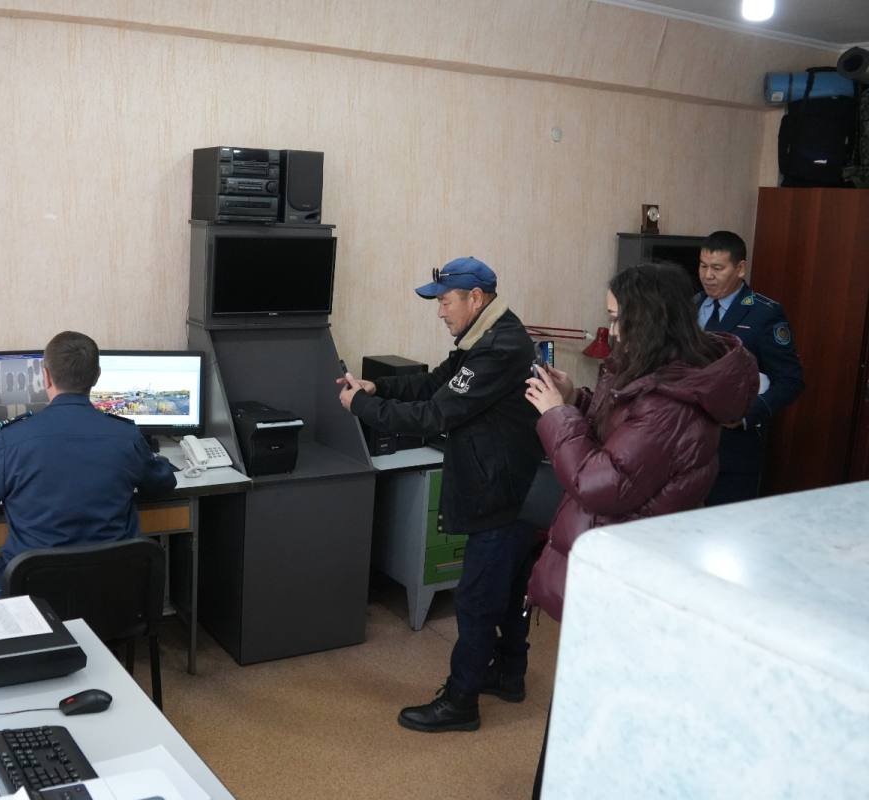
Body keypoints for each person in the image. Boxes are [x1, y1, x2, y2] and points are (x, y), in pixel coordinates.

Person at [523, 262, 759, 797]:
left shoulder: (667, 402)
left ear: (647, 320)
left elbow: (599, 482)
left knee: (598, 715)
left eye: (617, 319)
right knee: (585, 708)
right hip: (617, 564)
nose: (611, 332)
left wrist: (556, 416)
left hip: (628, 577)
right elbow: (620, 440)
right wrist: (577, 399)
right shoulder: (652, 374)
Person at [338, 256, 544, 733]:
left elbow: (435, 414)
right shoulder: (489, 335)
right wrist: (377, 385)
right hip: (512, 487)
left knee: (476, 600)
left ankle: (461, 702)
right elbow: (435, 381)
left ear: (476, 298)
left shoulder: (498, 349)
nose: (440, 311)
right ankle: (508, 674)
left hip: (501, 495)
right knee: (508, 591)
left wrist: (361, 406)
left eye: (446, 302)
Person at [0, 330, 177, 599]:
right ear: (97, 376)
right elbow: (162, 484)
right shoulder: (127, 436)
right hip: (111, 593)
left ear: (45, 376)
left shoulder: (12, 439)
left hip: (36, 598)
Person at [695, 230, 804, 505]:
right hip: (690, 444)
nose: (708, 276)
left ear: (740, 268)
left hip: (734, 449)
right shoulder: (692, 305)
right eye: (703, 266)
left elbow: (790, 380)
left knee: (728, 525)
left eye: (717, 268)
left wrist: (746, 415)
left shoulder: (763, 313)